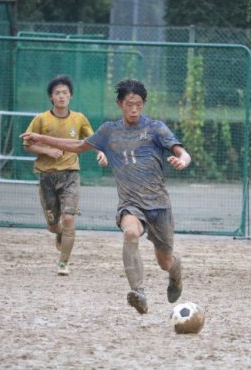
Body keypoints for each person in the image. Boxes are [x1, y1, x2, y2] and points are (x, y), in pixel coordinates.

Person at [21, 79, 191, 314]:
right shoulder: (109, 131)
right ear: (120, 103)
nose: (134, 109)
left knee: (165, 261)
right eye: (129, 104)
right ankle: (138, 292)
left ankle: (175, 272)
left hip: (159, 205)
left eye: (138, 105)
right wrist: (42, 139)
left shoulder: (156, 128)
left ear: (143, 104)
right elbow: (80, 145)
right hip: (131, 204)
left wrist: (182, 160)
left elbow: (182, 152)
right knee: (130, 233)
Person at [23, 75, 107, 276]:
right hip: (47, 177)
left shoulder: (79, 119)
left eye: (65, 93)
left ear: (71, 96)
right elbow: (27, 144)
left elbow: (91, 140)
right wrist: (47, 151)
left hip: (70, 175)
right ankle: (58, 232)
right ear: (51, 98)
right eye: (57, 93)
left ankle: (63, 263)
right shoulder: (41, 119)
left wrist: (101, 152)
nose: (62, 96)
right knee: (53, 225)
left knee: (69, 218)